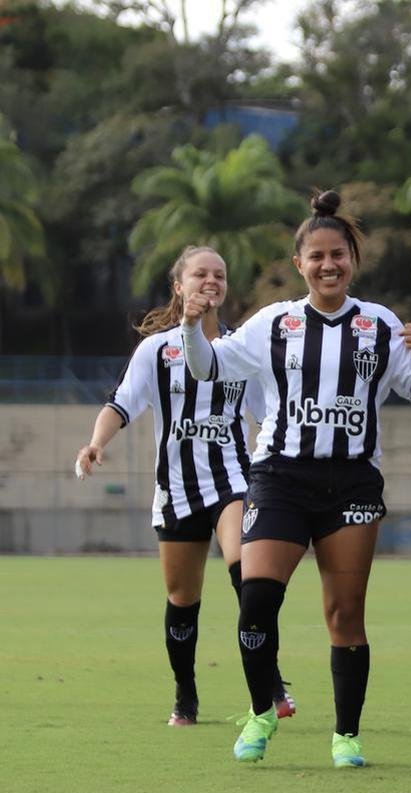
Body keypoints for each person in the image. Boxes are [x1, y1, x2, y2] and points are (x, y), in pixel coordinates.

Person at [180, 191, 411, 767]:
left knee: (344, 614)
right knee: (255, 601)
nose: (328, 265)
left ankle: (346, 735)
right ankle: (262, 711)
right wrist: (192, 325)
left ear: (353, 259)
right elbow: (207, 368)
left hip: (352, 484)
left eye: (338, 255)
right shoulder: (273, 322)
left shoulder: (380, 324)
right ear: (300, 264)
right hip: (279, 478)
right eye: (316, 256)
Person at [74, 246, 293, 727]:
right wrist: (95, 443)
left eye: (219, 274)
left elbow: (271, 410)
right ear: (180, 286)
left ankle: (270, 679)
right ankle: (186, 695)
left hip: (234, 480)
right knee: (182, 598)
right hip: (175, 490)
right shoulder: (156, 350)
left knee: (248, 574)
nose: (210, 281)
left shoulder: (240, 349)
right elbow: (121, 403)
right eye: (200, 274)